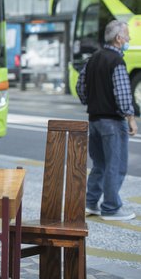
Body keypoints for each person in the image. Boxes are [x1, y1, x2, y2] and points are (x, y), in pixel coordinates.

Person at [77, 19, 137, 221]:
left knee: (100, 164)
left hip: (94, 120)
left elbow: (80, 86)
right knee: (116, 165)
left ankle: (90, 203)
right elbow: (122, 94)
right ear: (119, 39)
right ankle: (111, 208)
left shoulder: (92, 59)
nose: (128, 39)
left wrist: (91, 102)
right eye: (127, 36)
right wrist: (130, 117)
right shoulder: (116, 61)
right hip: (112, 121)